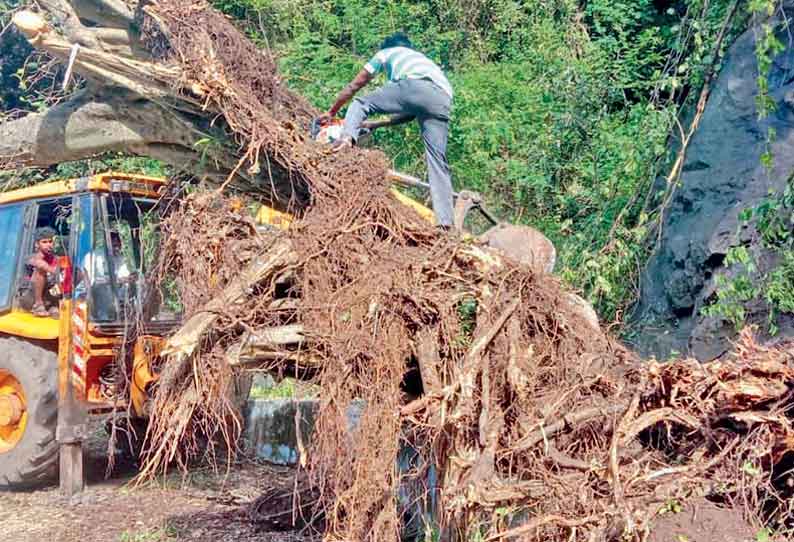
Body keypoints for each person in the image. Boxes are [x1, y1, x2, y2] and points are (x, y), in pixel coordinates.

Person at [319, 32, 455, 228]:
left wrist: (331, 112)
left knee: (360, 103)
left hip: (412, 85)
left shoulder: (387, 52)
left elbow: (354, 86)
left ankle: (346, 141)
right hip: (442, 99)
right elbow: (410, 112)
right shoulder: (423, 61)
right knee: (437, 161)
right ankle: (445, 223)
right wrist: (375, 124)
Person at [21, 227, 60, 318]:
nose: (48, 245)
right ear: (37, 244)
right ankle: (38, 305)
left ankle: (53, 305)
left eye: (50, 242)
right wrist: (55, 271)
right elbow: (40, 264)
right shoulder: (31, 258)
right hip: (30, 298)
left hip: (48, 297)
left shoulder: (56, 259)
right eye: (44, 242)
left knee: (75, 272)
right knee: (41, 270)